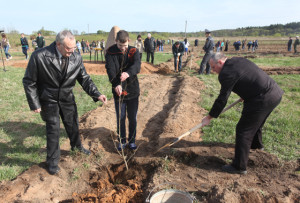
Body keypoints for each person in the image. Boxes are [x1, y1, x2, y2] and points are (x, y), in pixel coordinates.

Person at [23, 30, 107, 175]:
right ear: (58, 44)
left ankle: (76, 146)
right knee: (53, 129)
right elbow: (29, 81)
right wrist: (35, 103)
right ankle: (52, 161)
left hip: (67, 98)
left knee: (72, 124)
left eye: (74, 48)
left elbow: (84, 78)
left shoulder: (76, 57)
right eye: (68, 48)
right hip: (48, 99)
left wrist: (97, 94)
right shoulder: (39, 56)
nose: (72, 51)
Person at [201, 52, 283, 175]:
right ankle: (256, 147)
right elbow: (249, 75)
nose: (213, 70)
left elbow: (222, 99)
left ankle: (239, 166)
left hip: (261, 98)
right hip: (275, 92)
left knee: (243, 130)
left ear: (220, 62)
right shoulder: (238, 60)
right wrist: (247, 92)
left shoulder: (225, 73)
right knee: (256, 124)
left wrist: (209, 117)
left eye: (213, 67)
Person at [105, 30, 141, 151]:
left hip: (133, 90)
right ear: (116, 41)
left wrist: (128, 73)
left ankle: (131, 141)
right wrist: (116, 84)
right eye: (120, 46)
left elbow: (137, 66)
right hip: (118, 92)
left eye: (124, 46)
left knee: (132, 117)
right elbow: (110, 69)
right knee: (120, 117)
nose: (122, 48)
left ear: (128, 41)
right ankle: (122, 140)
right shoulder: (110, 52)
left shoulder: (134, 51)